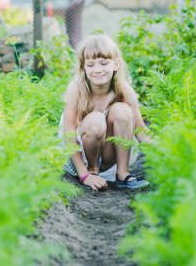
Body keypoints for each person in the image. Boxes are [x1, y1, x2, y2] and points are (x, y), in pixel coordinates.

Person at [60, 34, 153, 191]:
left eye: (103, 63)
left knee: (122, 110)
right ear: (83, 68)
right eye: (90, 65)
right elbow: (69, 137)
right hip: (81, 157)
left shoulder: (124, 90)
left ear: (116, 64)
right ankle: (92, 171)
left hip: (111, 155)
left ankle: (122, 174)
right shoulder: (76, 89)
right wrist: (84, 175)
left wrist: (170, 151)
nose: (97, 70)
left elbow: (141, 132)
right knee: (96, 119)